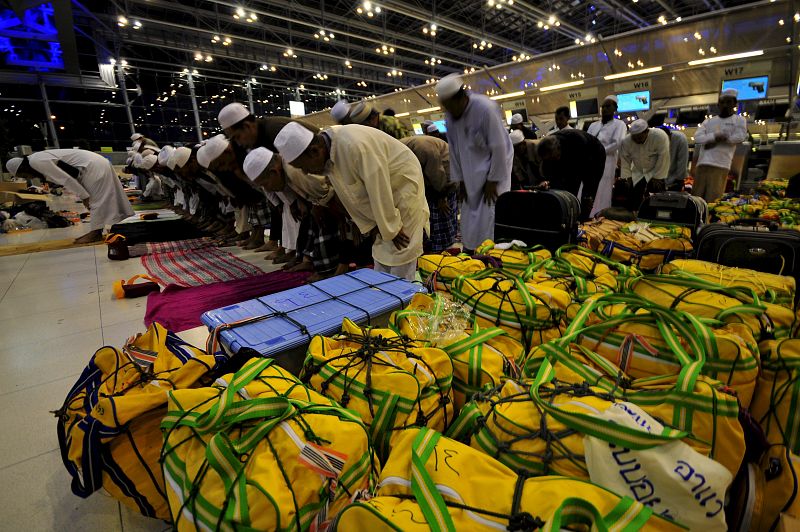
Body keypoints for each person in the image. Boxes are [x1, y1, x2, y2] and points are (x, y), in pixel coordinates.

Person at [274, 122, 429, 281]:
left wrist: (391, 227)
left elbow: (378, 185)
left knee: (401, 249)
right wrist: (373, 224)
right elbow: (349, 192)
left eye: (303, 166)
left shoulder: (355, 145)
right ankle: (386, 292)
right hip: (382, 194)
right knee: (382, 248)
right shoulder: (329, 151)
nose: (306, 172)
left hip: (401, 184)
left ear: (314, 152)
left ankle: (403, 296)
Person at [437, 73, 512, 255]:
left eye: (448, 105)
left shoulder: (485, 108)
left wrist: (493, 180)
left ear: (460, 98)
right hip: (469, 176)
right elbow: (454, 151)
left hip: (493, 174)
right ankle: (471, 253)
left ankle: (492, 256)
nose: (447, 110)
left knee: (490, 216)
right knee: (469, 218)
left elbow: (500, 146)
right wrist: (460, 181)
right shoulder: (450, 116)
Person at [6, 150, 134, 243]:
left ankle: (96, 232)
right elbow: (67, 174)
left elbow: (66, 179)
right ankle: (103, 229)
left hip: (91, 166)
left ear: (23, 168)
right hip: (93, 164)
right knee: (103, 197)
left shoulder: (36, 161)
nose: (28, 178)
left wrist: (84, 196)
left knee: (95, 200)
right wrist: (83, 194)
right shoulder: (36, 159)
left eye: (24, 175)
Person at [399, 135, 457, 253]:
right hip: (431, 184)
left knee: (441, 216)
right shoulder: (400, 150)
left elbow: (437, 174)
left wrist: (441, 197)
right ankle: (433, 248)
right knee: (429, 219)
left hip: (445, 183)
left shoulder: (423, 149)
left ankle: (442, 251)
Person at [693, 88, 748, 202]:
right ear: (718, 104)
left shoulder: (739, 120)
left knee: (713, 199)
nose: (725, 105)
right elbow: (698, 138)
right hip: (702, 164)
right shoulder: (709, 121)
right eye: (722, 102)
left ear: (734, 104)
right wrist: (716, 137)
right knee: (696, 198)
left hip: (721, 165)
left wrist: (713, 140)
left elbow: (740, 137)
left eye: (728, 102)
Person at [536, 129, 605, 219]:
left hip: (594, 155)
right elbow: (549, 174)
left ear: (558, 148)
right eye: (550, 159)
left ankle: (582, 220)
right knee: (560, 189)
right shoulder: (547, 150)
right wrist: (545, 183)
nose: (553, 160)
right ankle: (563, 217)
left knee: (587, 192)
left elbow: (574, 179)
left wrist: (570, 200)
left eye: (554, 157)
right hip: (573, 155)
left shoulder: (576, 142)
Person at [586, 95, 628, 216]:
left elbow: (617, 143)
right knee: (588, 188)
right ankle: (585, 214)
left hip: (607, 162)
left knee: (602, 190)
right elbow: (587, 141)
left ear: (615, 108)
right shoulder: (593, 125)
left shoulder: (620, 125)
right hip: (590, 162)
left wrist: (599, 151)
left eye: (608, 106)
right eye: (603, 106)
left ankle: (600, 215)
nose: (604, 109)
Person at [619, 119, 670, 211]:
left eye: (640, 138)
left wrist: (658, 177)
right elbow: (625, 160)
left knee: (657, 198)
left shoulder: (659, 136)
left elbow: (663, 157)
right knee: (634, 199)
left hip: (655, 170)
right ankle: (634, 218)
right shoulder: (627, 141)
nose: (637, 141)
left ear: (647, 131)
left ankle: (655, 219)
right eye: (635, 138)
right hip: (638, 171)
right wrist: (627, 177)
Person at [658, 126, 689, 191]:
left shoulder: (680, 139)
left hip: (676, 179)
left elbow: (682, 162)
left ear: (670, 135)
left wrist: (679, 180)